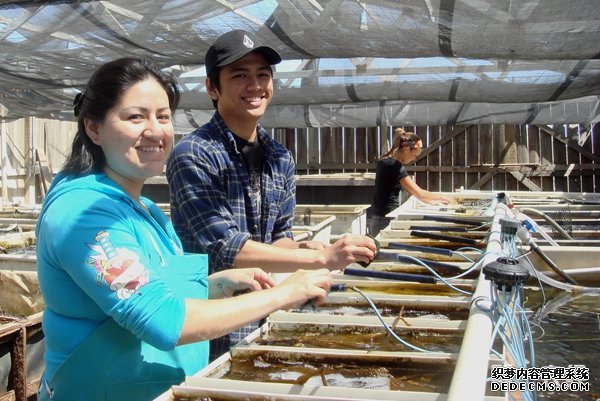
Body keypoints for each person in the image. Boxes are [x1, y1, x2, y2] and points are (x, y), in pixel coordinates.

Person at [35, 57, 333, 401]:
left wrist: (218, 284)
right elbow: (163, 319)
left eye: (162, 116)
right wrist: (283, 294)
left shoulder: (143, 210)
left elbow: (146, 291)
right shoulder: (82, 215)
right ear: (94, 128)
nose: (155, 130)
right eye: (135, 116)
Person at [166, 29, 377, 360]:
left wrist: (304, 248)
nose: (255, 86)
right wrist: (320, 258)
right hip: (208, 326)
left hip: (265, 316)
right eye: (239, 75)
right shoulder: (194, 153)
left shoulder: (280, 157)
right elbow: (225, 248)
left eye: (262, 75)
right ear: (212, 87)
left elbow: (278, 237)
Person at [368, 128, 450, 237]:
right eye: (415, 155)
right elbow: (420, 194)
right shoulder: (395, 166)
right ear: (407, 149)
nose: (414, 159)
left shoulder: (384, 160)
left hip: (377, 218)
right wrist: (444, 198)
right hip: (385, 220)